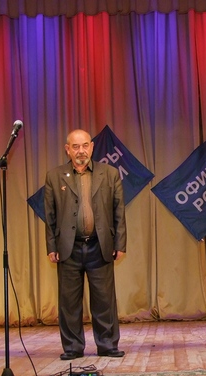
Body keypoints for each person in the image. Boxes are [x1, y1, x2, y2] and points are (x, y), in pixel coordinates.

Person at [44, 129, 127, 360]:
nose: (81, 151)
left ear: (91, 147)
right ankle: (72, 348)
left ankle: (108, 345)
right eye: (75, 147)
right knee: (69, 303)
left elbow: (119, 212)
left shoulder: (109, 174)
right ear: (67, 150)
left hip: (100, 246)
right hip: (68, 248)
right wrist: (51, 246)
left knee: (104, 300)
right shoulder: (54, 176)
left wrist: (120, 243)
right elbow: (49, 216)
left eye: (85, 146)